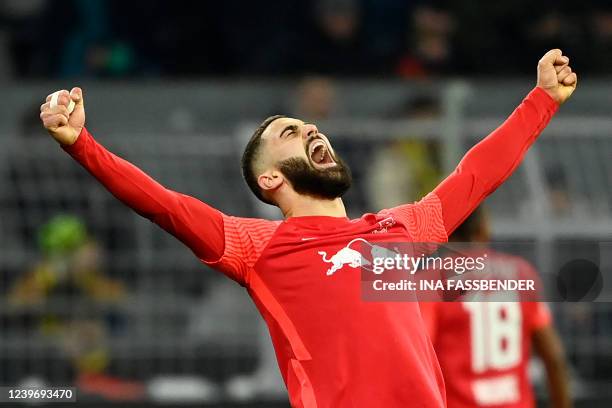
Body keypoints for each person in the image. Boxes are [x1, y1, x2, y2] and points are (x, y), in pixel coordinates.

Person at [39, 49, 576, 407]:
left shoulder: (401, 227)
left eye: (309, 126)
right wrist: (82, 145)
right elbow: (164, 205)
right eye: (291, 131)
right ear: (270, 177)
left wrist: (541, 99)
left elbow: (476, 175)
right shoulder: (258, 247)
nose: (312, 128)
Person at [419, 208, 572, 408]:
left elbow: (418, 361)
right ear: (485, 226)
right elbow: (553, 357)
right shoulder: (522, 273)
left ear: (444, 231)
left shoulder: (433, 281)